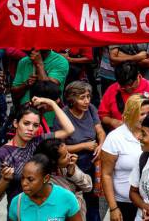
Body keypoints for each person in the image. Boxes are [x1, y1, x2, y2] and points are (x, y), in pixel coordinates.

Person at [0, 99, 76, 205]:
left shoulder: (38, 141)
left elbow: (69, 130)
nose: (31, 129)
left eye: (35, 125)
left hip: (45, 208)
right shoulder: (2, 155)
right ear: (15, 123)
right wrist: (5, 180)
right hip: (19, 211)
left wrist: (52, 103)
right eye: (26, 123)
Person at [102, 95, 149, 221]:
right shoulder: (115, 138)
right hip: (124, 203)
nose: (146, 117)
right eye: (142, 114)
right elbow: (106, 174)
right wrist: (113, 208)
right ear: (130, 114)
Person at [61, 81, 105, 221]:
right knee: (75, 203)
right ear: (72, 99)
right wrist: (84, 146)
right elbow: (60, 147)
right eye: (82, 97)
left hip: (91, 162)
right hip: (73, 165)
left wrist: (100, 144)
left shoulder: (91, 109)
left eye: (88, 96)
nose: (86, 101)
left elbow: (100, 131)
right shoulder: (64, 115)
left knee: (92, 201)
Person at [8, 154, 83, 221]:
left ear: (46, 178)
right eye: (22, 178)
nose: (24, 183)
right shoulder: (17, 202)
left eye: (30, 179)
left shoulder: (67, 198)